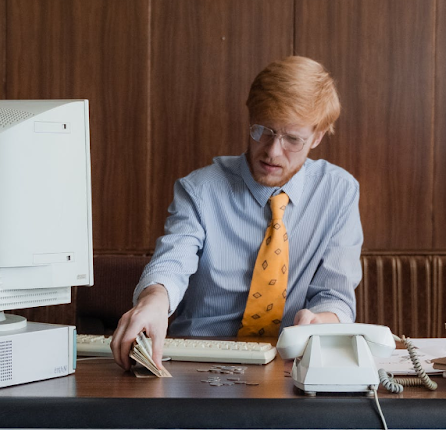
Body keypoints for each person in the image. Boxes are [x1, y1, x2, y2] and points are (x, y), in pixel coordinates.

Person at [110, 56, 363, 370]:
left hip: (289, 365)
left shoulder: (338, 192)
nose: (272, 151)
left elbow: (334, 292)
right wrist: (154, 302)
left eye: (292, 139)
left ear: (317, 137)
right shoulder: (200, 189)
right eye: (264, 131)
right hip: (197, 362)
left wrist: (321, 319)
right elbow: (173, 261)